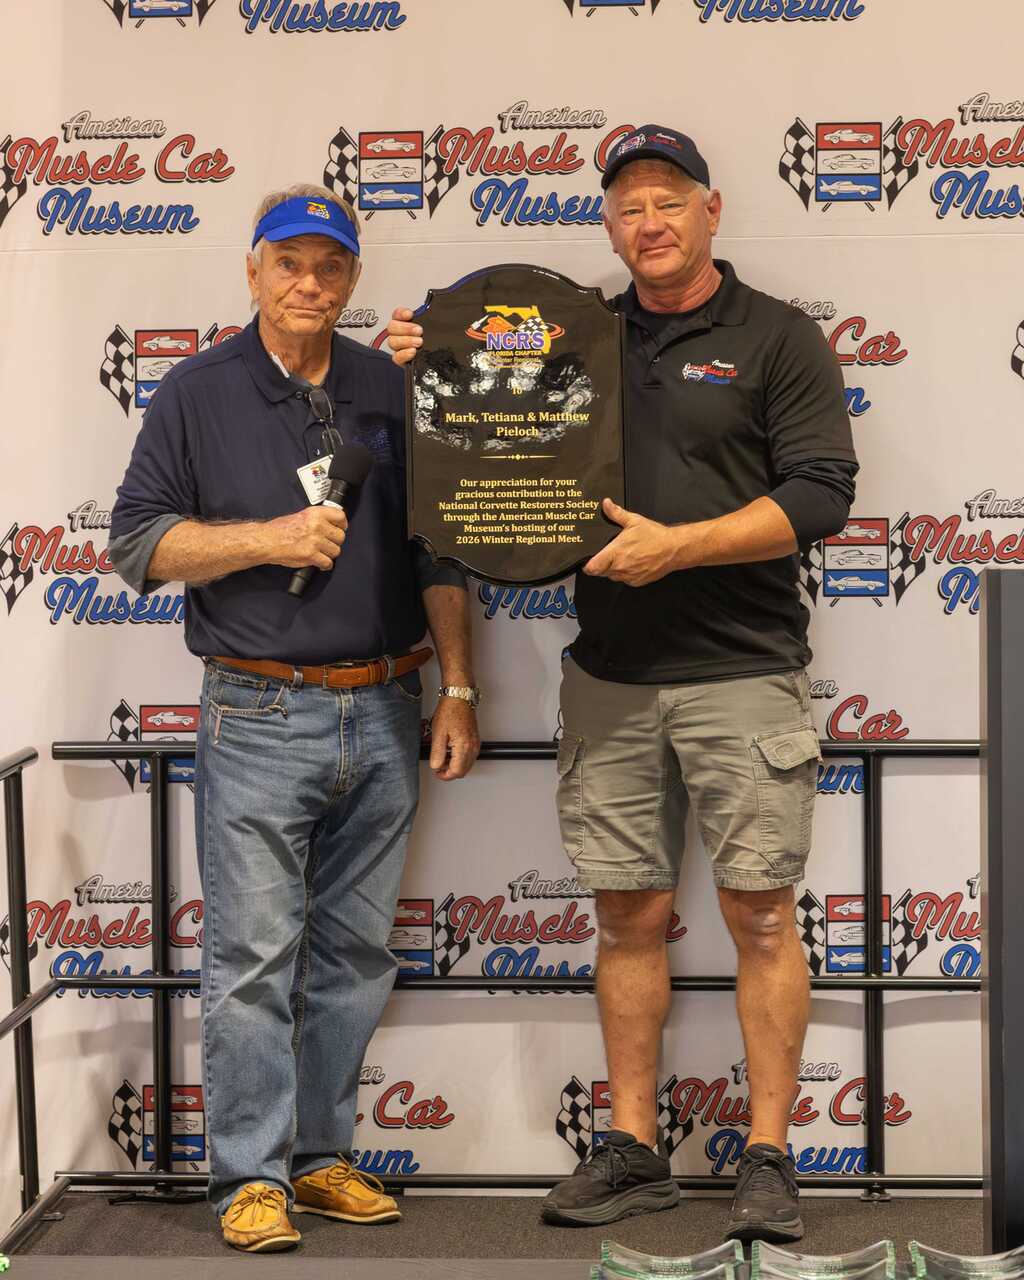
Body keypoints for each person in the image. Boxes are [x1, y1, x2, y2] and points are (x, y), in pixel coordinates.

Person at [386, 127, 858, 1243]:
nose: (649, 222)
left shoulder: (778, 335)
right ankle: (635, 1148)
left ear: (711, 210)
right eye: (629, 206)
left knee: (760, 915)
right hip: (608, 676)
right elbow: (485, 434)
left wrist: (678, 547)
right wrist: (428, 365)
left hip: (744, 671)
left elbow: (822, 494)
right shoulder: (578, 337)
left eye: (668, 200)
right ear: (608, 224)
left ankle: (769, 1155)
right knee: (627, 917)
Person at [109, 184, 481, 1253]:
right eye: (289, 263)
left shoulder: (389, 384)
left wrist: (457, 687)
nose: (308, 283)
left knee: (354, 955)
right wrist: (265, 538)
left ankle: (319, 1161)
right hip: (258, 708)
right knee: (253, 959)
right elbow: (136, 546)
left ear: (353, 277)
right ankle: (249, 1176)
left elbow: (439, 549)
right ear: (252, 270)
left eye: (329, 266)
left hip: (387, 705)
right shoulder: (196, 391)